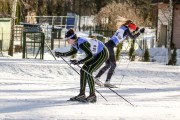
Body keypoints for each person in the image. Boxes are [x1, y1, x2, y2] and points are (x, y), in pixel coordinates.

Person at [55, 28, 109, 102]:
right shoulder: (75, 43)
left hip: (102, 53)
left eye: (68, 39)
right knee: (83, 71)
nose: (67, 41)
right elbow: (73, 51)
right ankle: (82, 94)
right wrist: (62, 54)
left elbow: (90, 56)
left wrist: (79, 62)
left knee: (88, 72)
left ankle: (92, 95)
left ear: (72, 38)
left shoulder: (82, 43)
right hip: (94, 54)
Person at [95, 20, 145, 87]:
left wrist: (137, 29)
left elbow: (131, 31)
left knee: (108, 64)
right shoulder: (127, 30)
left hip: (107, 45)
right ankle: (107, 82)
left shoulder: (123, 27)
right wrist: (139, 33)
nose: (132, 32)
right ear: (130, 28)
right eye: (132, 30)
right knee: (113, 65)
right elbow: (133, 37)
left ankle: (97, 78)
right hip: (110, 46)